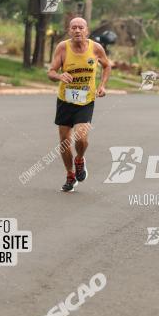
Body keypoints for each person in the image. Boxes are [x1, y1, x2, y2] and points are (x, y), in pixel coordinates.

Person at [47, 17, 110, 192]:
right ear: (69, 31)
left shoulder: (96, 48)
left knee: (81, 138)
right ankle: (70, 175)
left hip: (85, 100)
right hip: (65, 100)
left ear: (87, 31)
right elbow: (51, 71)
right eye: (73, 27)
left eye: (80, 28)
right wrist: (60, 76)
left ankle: (80, 159)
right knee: (65, 142)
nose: (77, 31)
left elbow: (107, 66)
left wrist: (102, 85)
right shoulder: (62, 47)